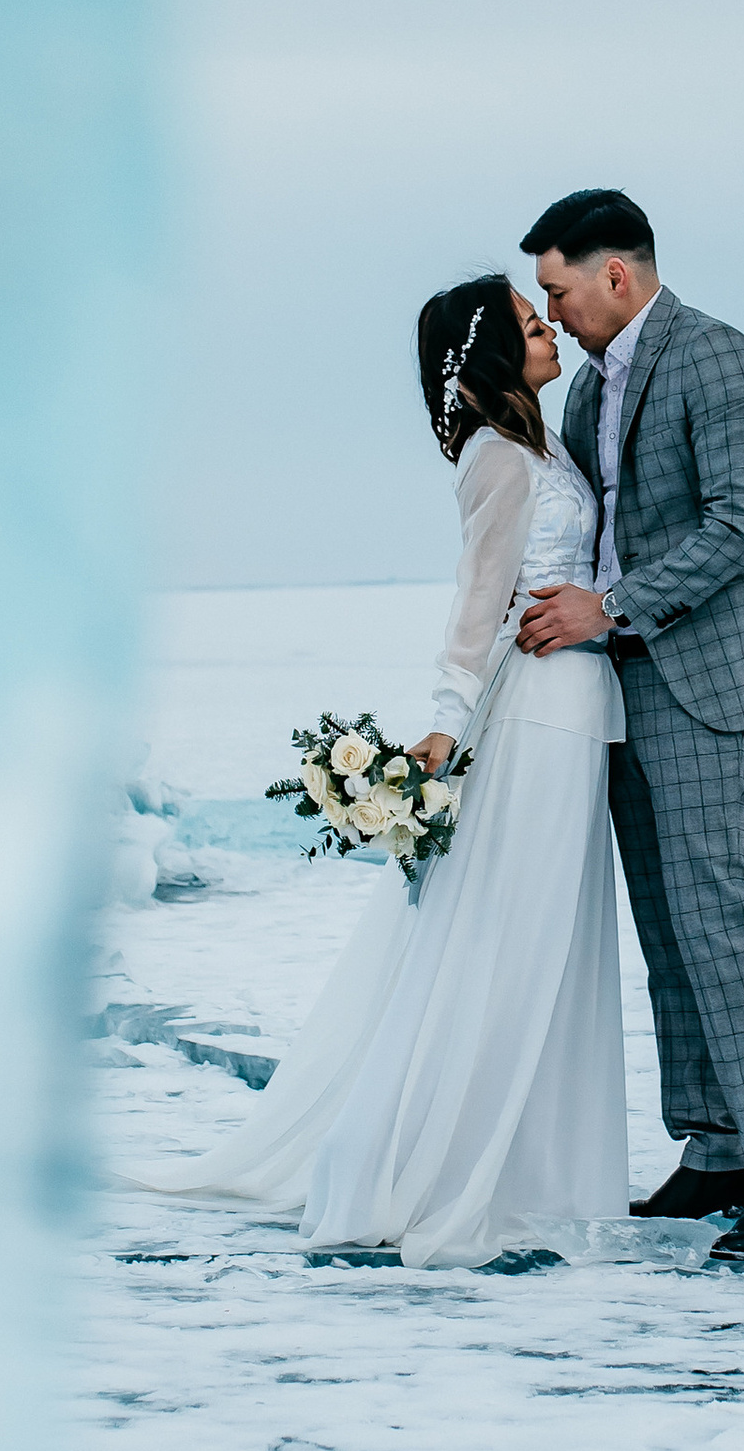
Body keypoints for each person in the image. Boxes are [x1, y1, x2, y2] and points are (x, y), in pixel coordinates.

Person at [128, 275, 628, 1266]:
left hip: (576, 704)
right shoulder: (496, 459)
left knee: (545, 944)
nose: (549, 331)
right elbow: (475, 604)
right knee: (507, 941)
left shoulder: (538, 443)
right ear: (491, 354)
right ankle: (432, 1170)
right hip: (534, 716)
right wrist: (440, 730)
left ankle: (530, 1170)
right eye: (532, 326)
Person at [516, 189, 744, 1259]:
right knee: (662, 927)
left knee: (712, 919)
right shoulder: (583, 393)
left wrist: (607, 607)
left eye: (557, 290)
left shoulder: (718, 358)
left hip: (705, 674)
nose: (548, 313)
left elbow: (743, 526)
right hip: (619, 681)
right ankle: (712, 1150)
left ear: (618, 275)